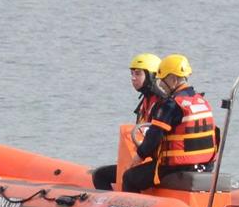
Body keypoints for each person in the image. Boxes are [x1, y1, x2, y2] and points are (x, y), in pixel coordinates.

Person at [92, 52, 218, 193]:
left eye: (163, 80)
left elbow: (154, 136)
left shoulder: (171, 104)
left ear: (173, 79)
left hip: (175, 168)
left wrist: (139, 157)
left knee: (129, 178)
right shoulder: (202, 101)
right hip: (205, 166)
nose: (161, 85)